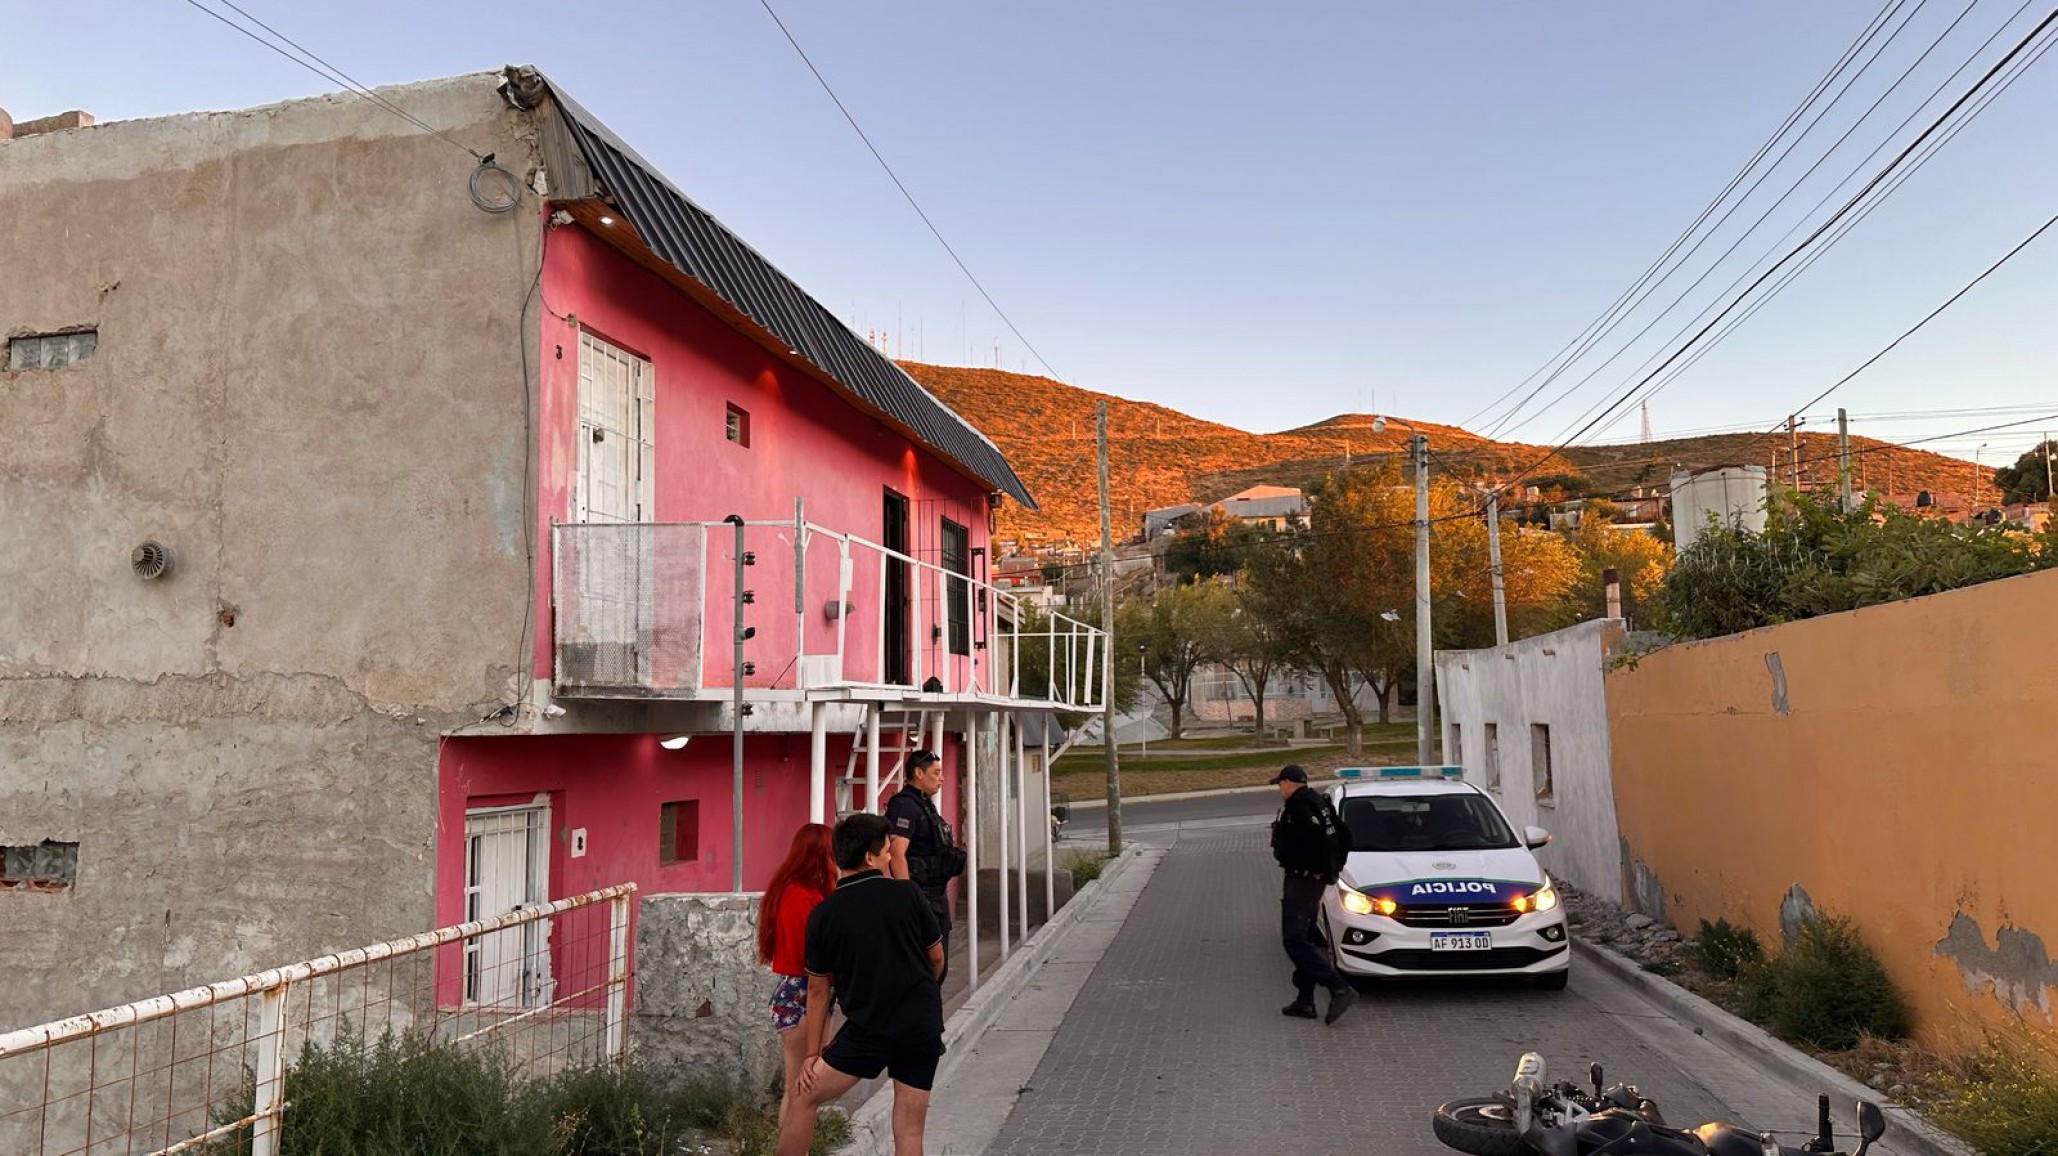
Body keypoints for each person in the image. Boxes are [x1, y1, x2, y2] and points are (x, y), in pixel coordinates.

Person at [777, 813, 946, 1156]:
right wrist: (924, 992)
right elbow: (937, 957)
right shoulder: (909, 894)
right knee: (910, 1132)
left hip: (867, 1028)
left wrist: (813, 1054)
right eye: (886, 851)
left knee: (803, 1097)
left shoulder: (824, 914)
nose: (889, 857)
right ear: (869, 857)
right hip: (919, 1025)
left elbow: (818, 991)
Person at [756, 822, 836, 1130]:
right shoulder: (800, 896)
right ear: (819, 855)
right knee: (800, 1088)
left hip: (801, 992)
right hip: (803, 993)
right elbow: (811, 955)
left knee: (802, 1087)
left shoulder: (795, 892)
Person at [1269, 764, 1356, 1024]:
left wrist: (1317, 869)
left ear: (1287, 783)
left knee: (1294, 939)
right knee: (1305, 936)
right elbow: (1345, 835)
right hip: (1312, 881)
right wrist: (1332, 868)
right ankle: (1305, 1001)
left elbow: (1316, 840)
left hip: (1302, 881)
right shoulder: (1319, 801)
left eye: (1279, 784)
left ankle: (1338, 986)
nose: (1279, 790)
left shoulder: (1297, 807)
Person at [884, 750, 966, 983]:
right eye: (936, 773)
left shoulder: (923, 803)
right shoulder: (906, 806)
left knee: (937, 968)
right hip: (922, 898)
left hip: (935, 896)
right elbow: (896, 852)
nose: (941, 778)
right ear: (918, 773)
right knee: (927, 966)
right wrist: (908, 897)